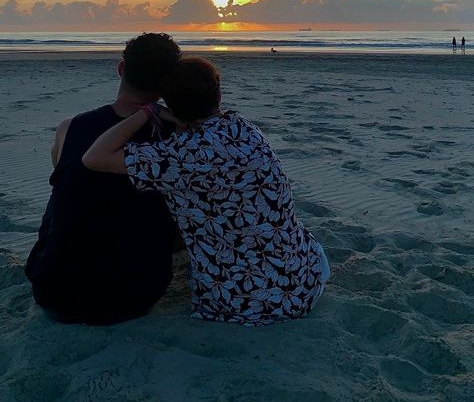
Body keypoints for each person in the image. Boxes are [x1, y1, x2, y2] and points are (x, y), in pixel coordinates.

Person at [83, 56, 330, 326]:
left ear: (171, 104)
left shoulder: (175, 156)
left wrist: (148, 112)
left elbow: (94, 157)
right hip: (306, 278)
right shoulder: (244, 128)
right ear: (219, 95)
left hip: (244, 303)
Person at [25, 32, 181, 324]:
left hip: (53, 292)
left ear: (121, 69)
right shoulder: (179, 138)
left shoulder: (69, 128)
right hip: (132, 297)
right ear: (168, 82)